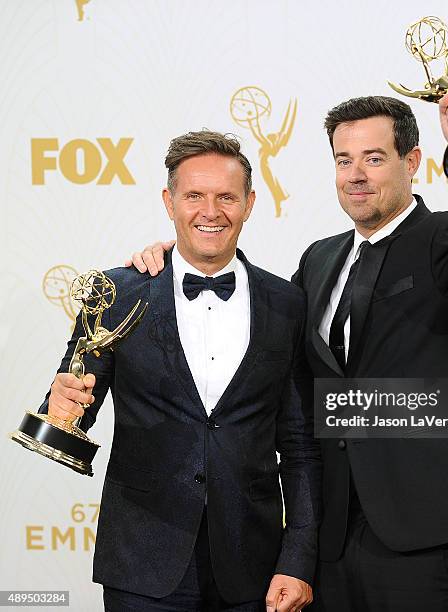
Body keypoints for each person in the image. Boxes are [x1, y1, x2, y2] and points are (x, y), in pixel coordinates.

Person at [129, 92, 448, 611]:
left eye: (374, 159)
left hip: (431, 527)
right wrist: (176, 260)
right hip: (333, 536)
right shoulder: (320, 258)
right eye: (344, 160)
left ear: (413, 162)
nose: (356, 174)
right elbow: (265, 327)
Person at [41, 130, 321, 612]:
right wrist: (60, 408)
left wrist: (298, 556)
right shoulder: (115, 294)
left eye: (226, 197)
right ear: (169, 202)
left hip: (253, 565)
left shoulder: (287, 303)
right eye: (194, 195)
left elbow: (298, 445)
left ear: (250, 203)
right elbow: (70, 417)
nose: (210, 212)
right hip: (142, 561)